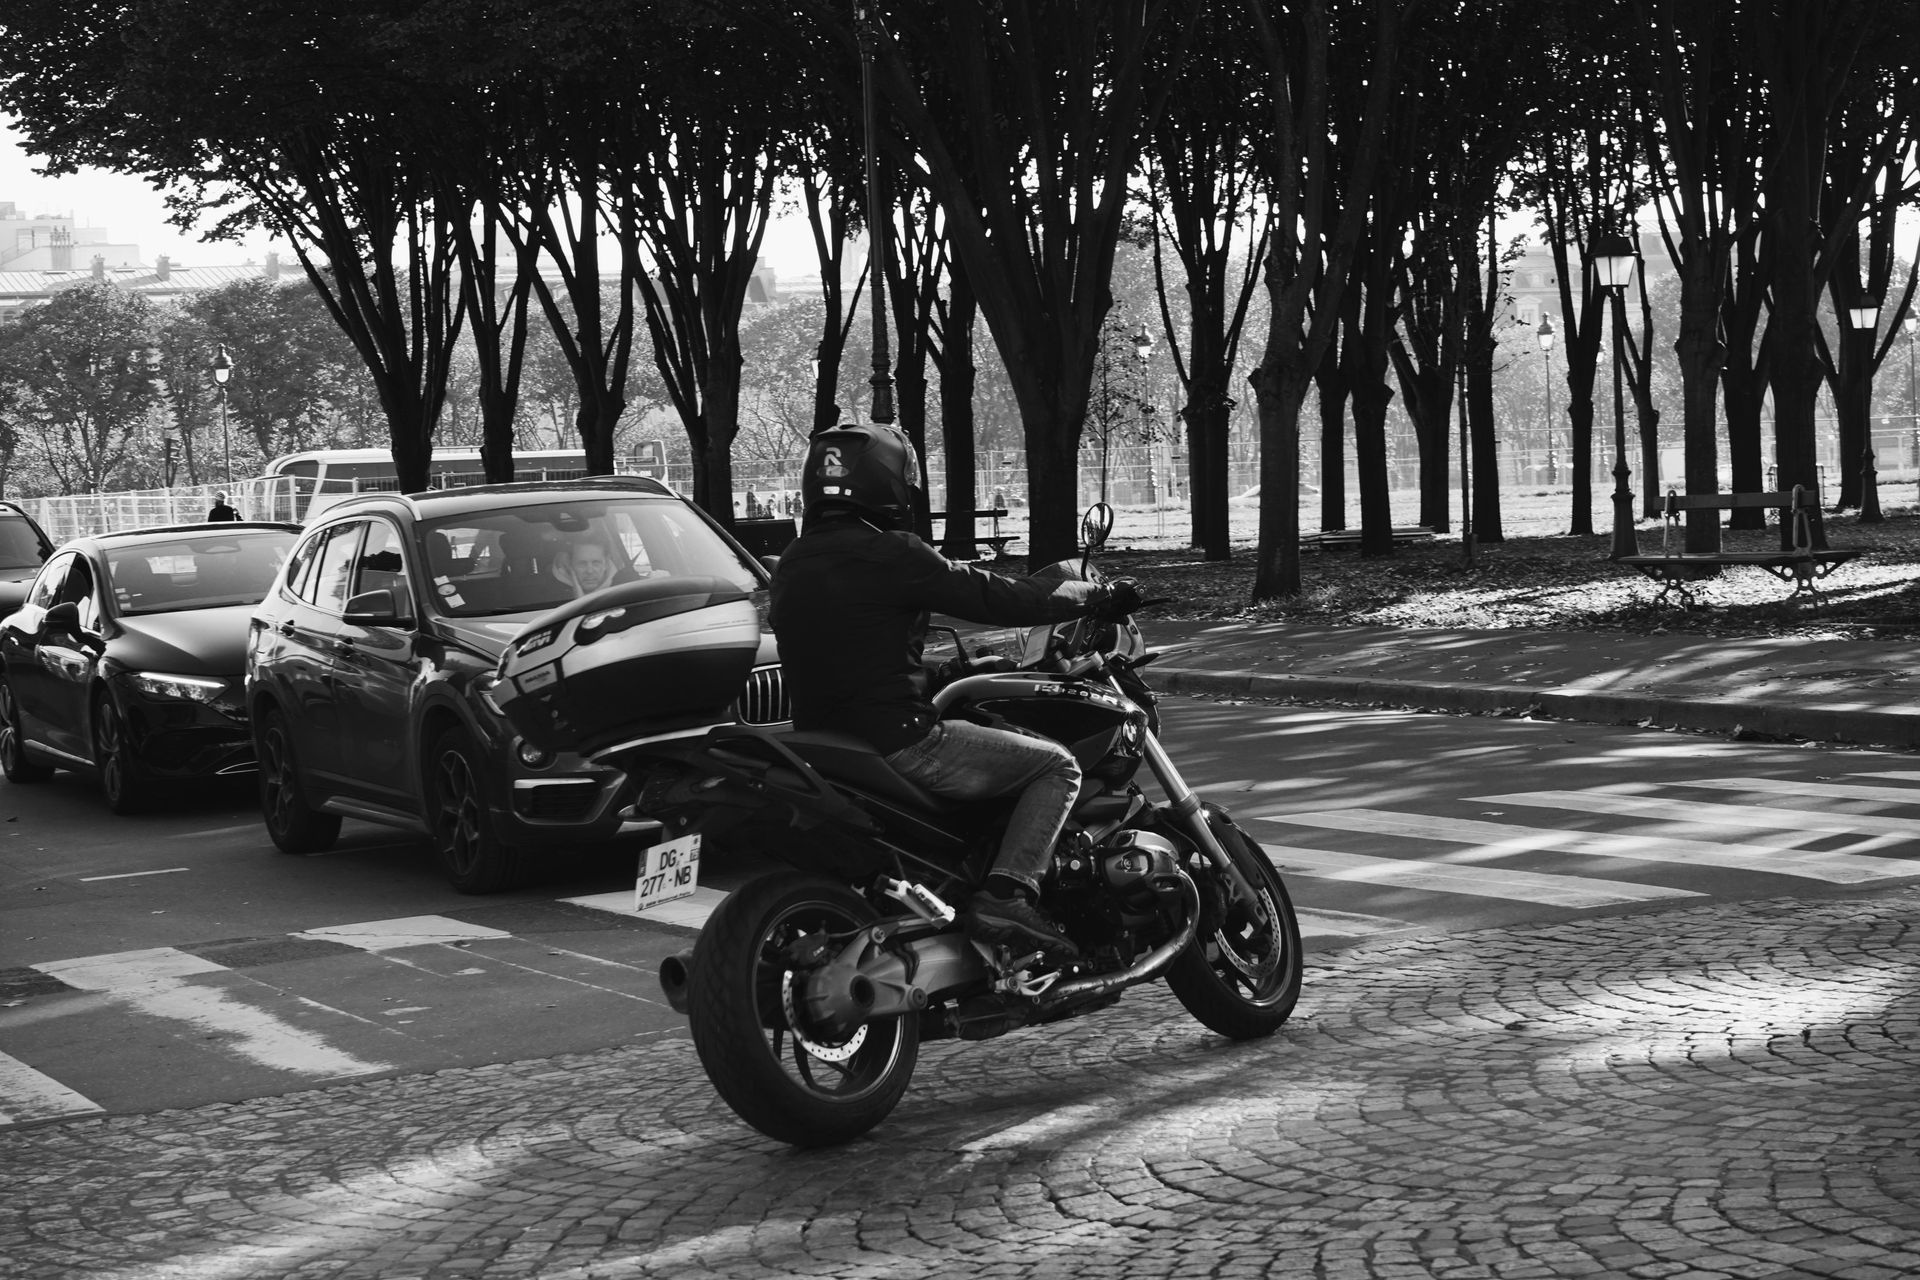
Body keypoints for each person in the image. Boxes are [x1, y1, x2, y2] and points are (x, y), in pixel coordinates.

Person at [769, 422, 1139, 962]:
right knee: (1055, 767)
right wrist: (1094, 593)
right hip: (900, 741)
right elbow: (1004, 597)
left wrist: (944, 675)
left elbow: (852, 653)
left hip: (828, 745)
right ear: (889, 482)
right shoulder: (893, 552)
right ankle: (1009, 896)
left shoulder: (794, 561)